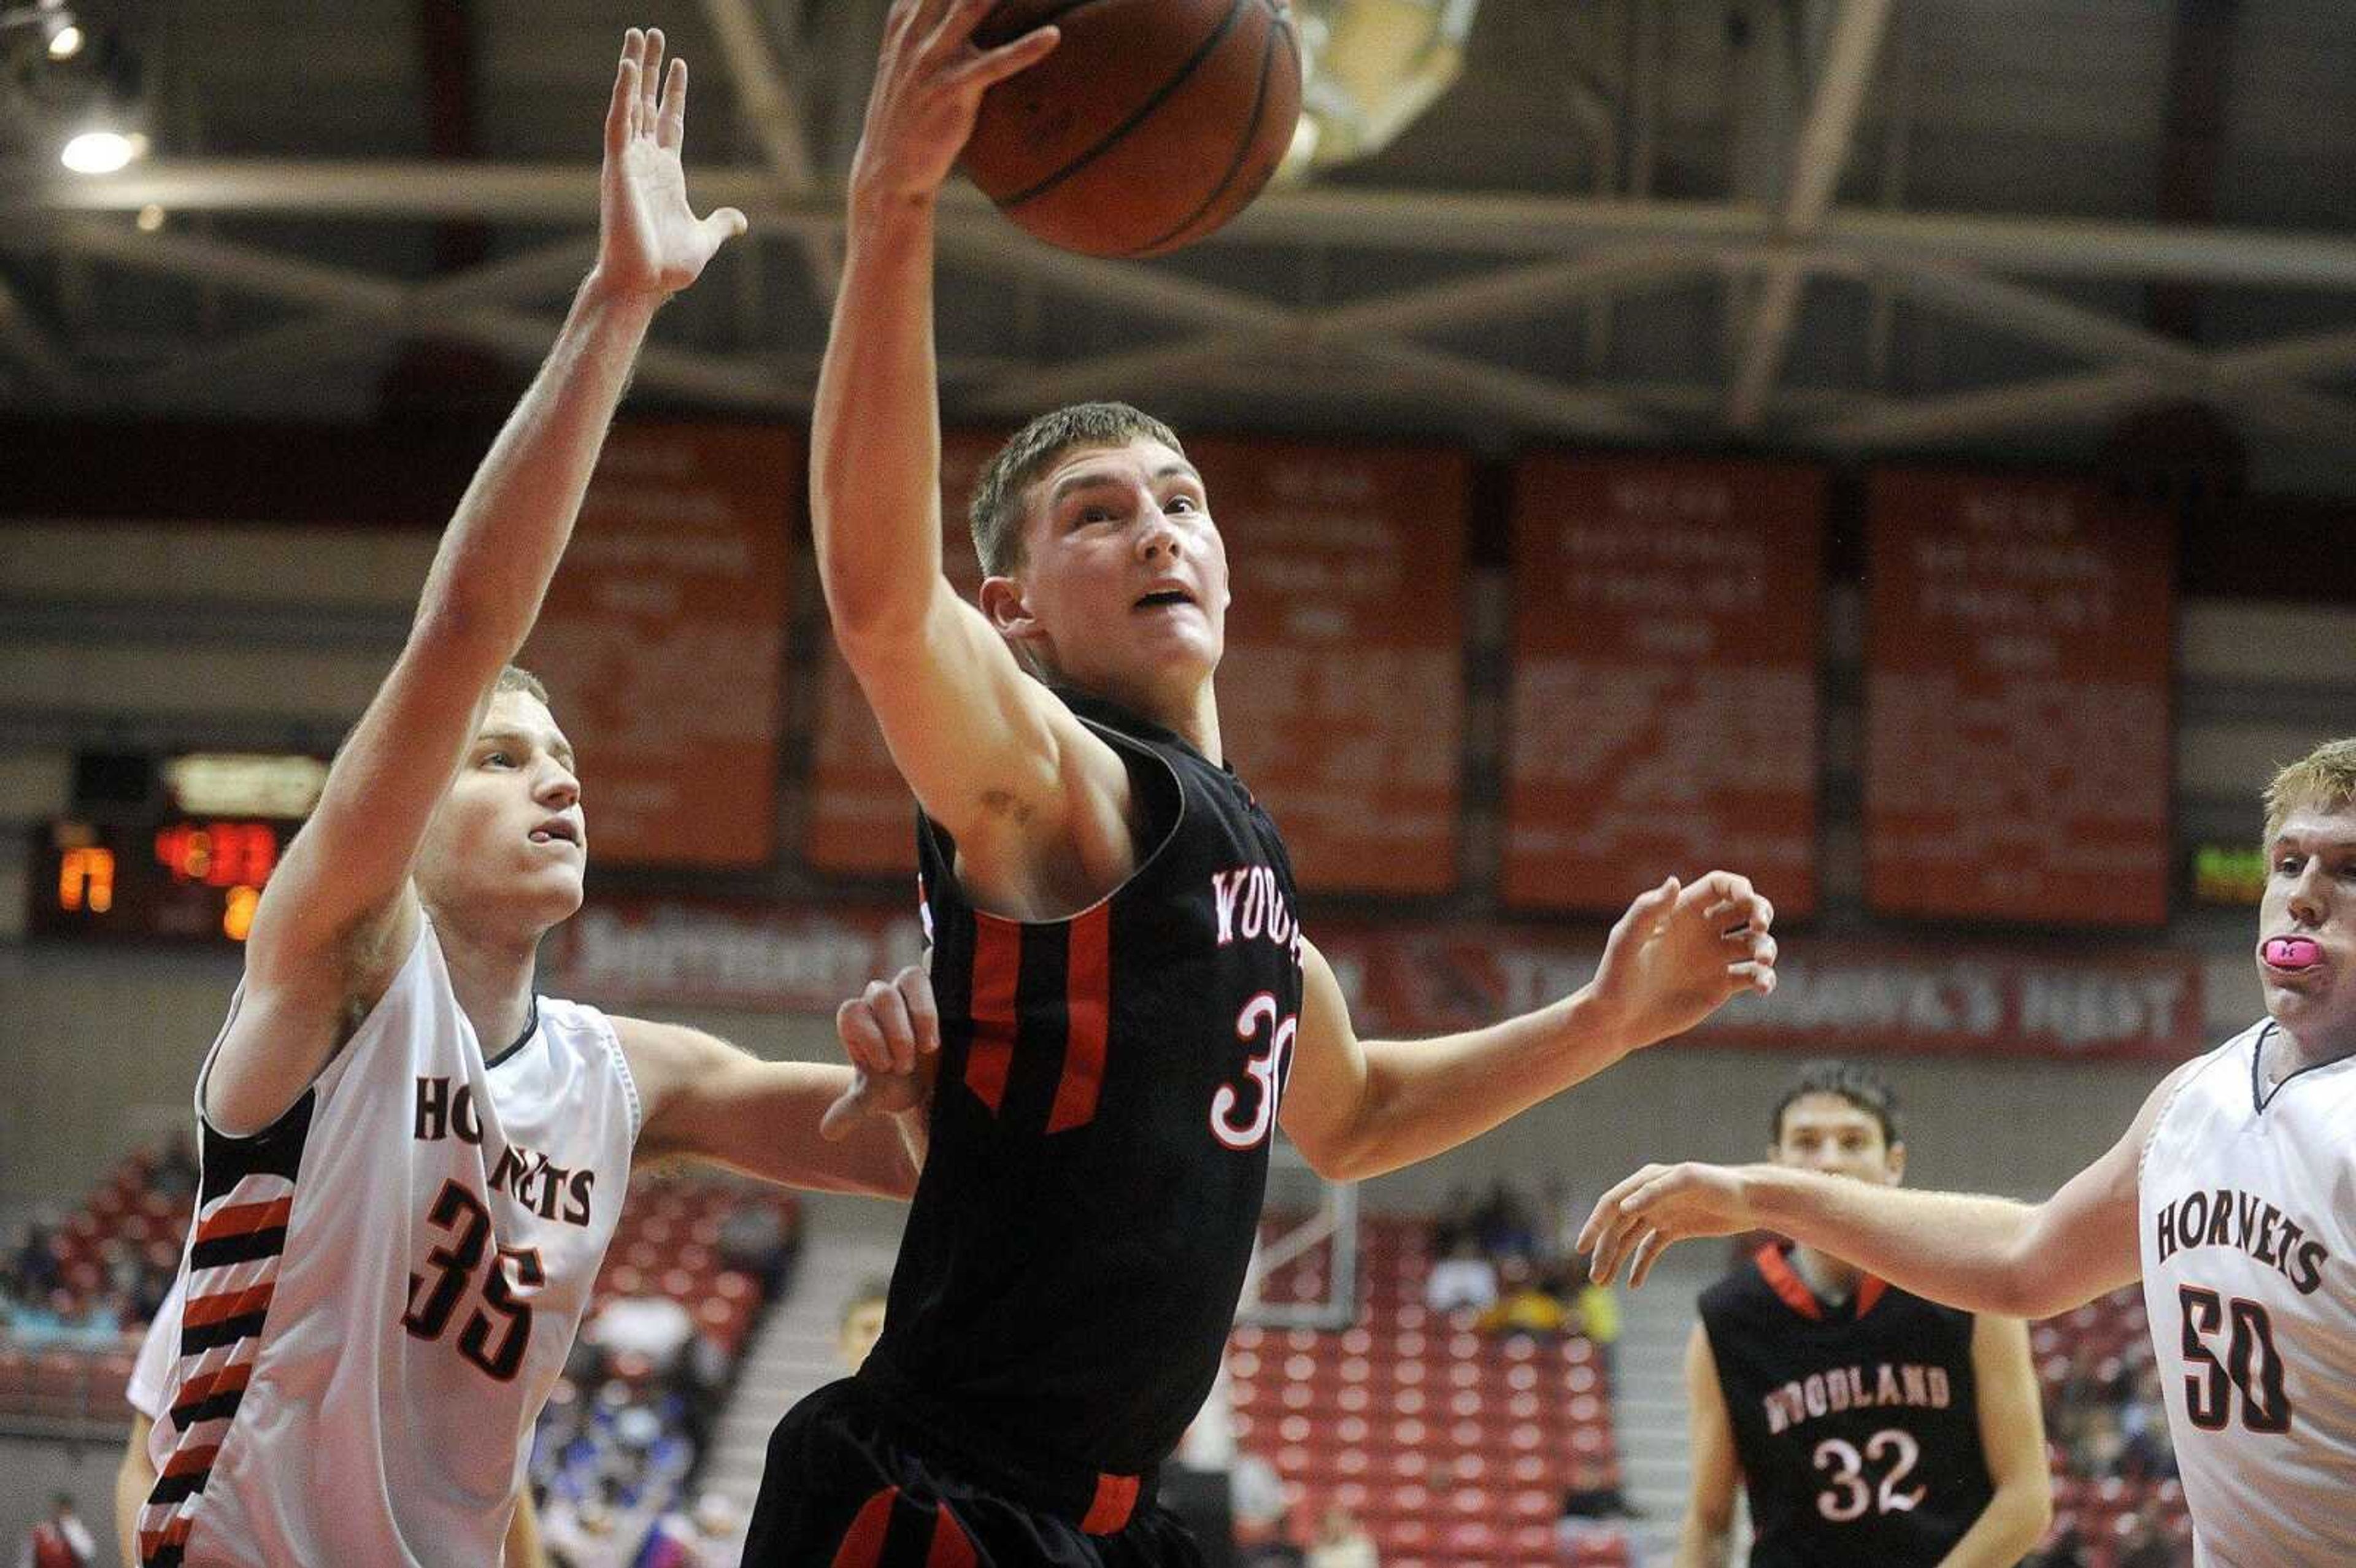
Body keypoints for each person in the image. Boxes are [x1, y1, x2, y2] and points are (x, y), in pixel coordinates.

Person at [741, 5, 1781, 1562]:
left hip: (1107, 1513)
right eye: (1095, 515)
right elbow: (884, 603)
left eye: (1180, 500)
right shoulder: (1062, 786)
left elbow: (1353, 1117)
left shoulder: (1230, 853)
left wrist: (1608, 1022)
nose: (1158, 529)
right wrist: (889, 210)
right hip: (943, 1486)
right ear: (1014, 607)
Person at [109, 31, 937, 1568]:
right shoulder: (345, 967)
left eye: (563, 764)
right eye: (496, 759)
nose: (552, 777)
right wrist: (620, 304)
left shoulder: (624, 1079)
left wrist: (927, 1081)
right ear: (407, 810)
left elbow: (909, 1163)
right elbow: (463, 629)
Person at [1584, 737, 2356, 1564]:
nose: (2303, 897)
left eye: (2348, 870)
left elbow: (2025, 1499)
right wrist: (1756, 1197)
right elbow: (2024, 1261)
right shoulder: (2193, 1101)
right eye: (2286, 863)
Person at [1671, 1060, 2050, 1568]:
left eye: (1853, 1142)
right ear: (1774, 1165)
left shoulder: (1969, 1287)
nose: (1830, 1161)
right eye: (1806, 1142)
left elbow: (2026, 1502)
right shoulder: (1726, 1322)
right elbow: (1710, 1522)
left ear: (1894, 1164)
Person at [16, 1495, 93, 1568]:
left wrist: (69, 1530)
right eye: (60, 1509)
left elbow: (87, 1554)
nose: (62, 1513)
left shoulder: (79, 1533)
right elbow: (26, 1561)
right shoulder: (40, 1532)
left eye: (66, 1509)